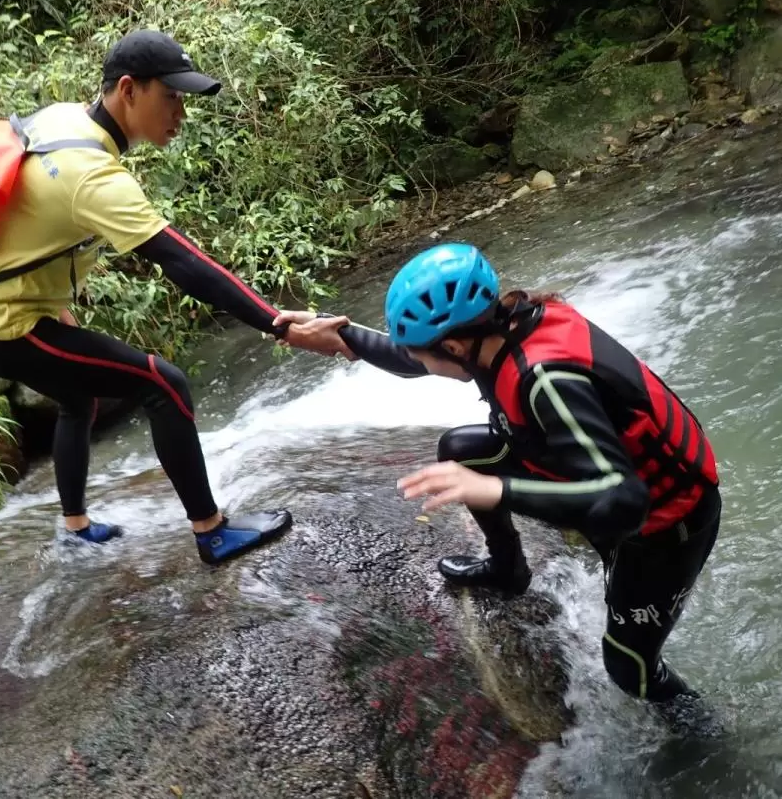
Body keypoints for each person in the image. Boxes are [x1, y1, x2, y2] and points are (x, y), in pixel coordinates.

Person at [0, 29, 351, 561]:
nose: (179, 113)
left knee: (76, 396)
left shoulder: (63, 119)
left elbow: (27, 217)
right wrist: (278, 323)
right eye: (171, 96)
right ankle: (212, 531)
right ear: (128, 90)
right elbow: (184, 262)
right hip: (5, 327)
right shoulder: (91, 175)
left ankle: (74, 527)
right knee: (164, 382)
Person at [274, 242, 722, 717]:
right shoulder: (502, 327)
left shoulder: (546, 379)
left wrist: (497, 490)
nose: (420, 364)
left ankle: (704, 735)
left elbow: (625, 500)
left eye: (428, 354)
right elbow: (415, 359)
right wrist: (343, 336)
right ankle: (508, 570)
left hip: (663, 526)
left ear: (454, 346)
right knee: (461, 453)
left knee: (629, 667)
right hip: (587, 477)